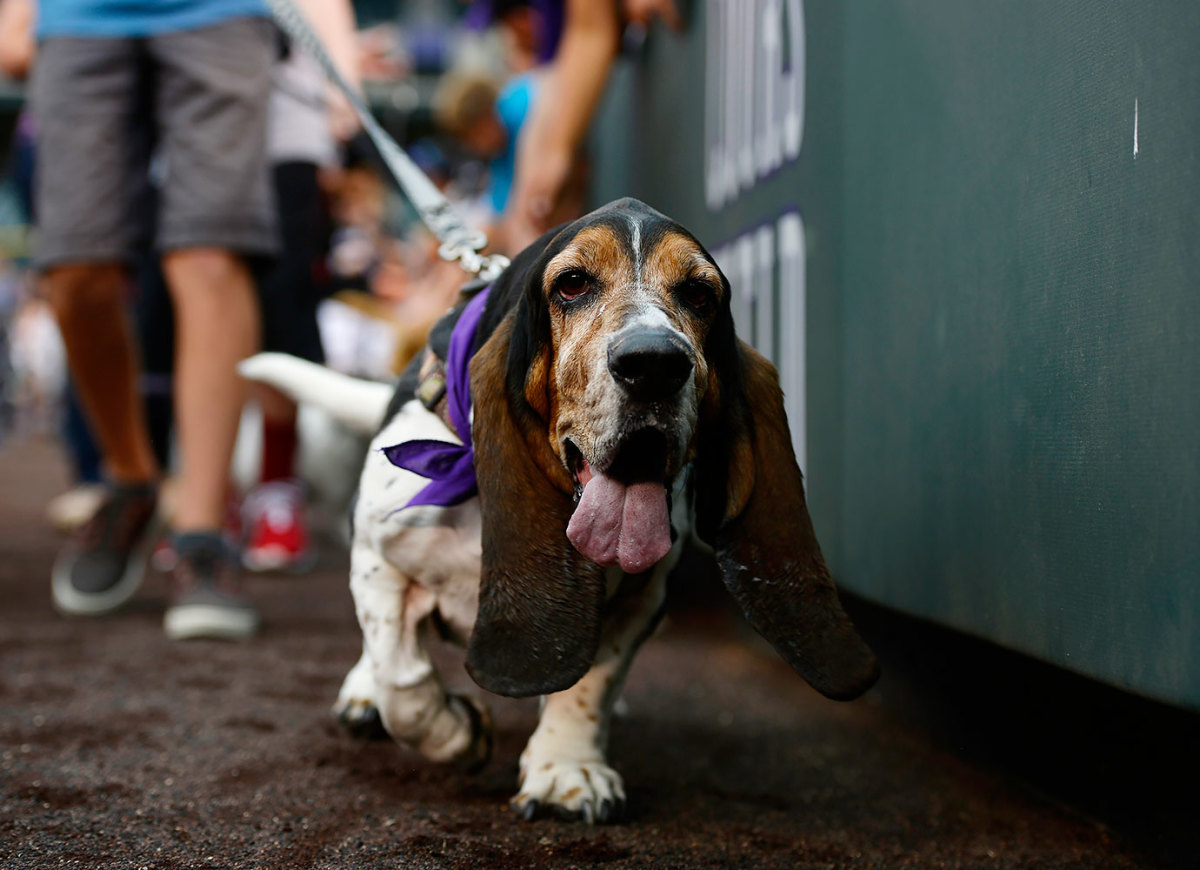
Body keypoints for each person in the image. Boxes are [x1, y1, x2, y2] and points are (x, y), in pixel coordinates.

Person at [35, 0, 277, 639]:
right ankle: (132, 478)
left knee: (209, 257)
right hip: (75, 19)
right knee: (75, 268)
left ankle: (201, 533)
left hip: (222, 13)